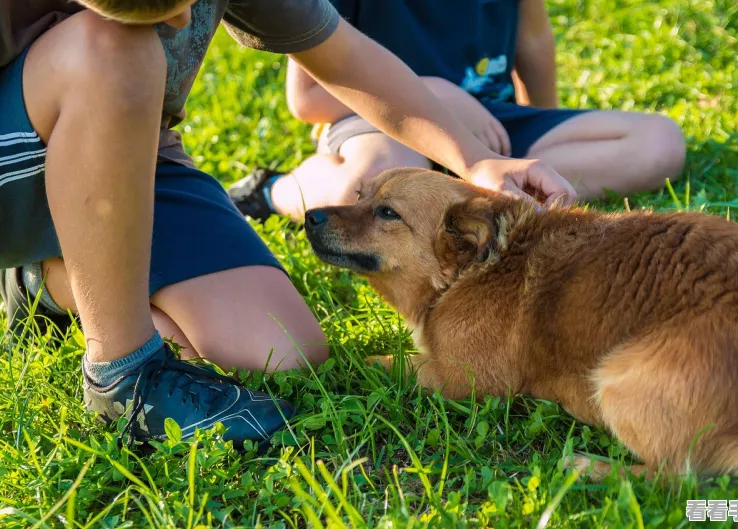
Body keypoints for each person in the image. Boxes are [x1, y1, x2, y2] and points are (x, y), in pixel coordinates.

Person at [0, 0, 574, 448]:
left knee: (284, 352)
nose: (181, 20)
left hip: (134, 165)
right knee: (118, 49)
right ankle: (123, 371)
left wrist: (473, 158)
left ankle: (45, 282)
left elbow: (342, 55)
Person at [229, 0, 686, 223]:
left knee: (658, 144)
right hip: (378, 121)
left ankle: (464, 188)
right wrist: (435, 92)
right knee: (364, 196)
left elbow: (533, 41)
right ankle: (272, 189)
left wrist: (538, 141)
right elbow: (306, 99)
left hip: (489, 121)